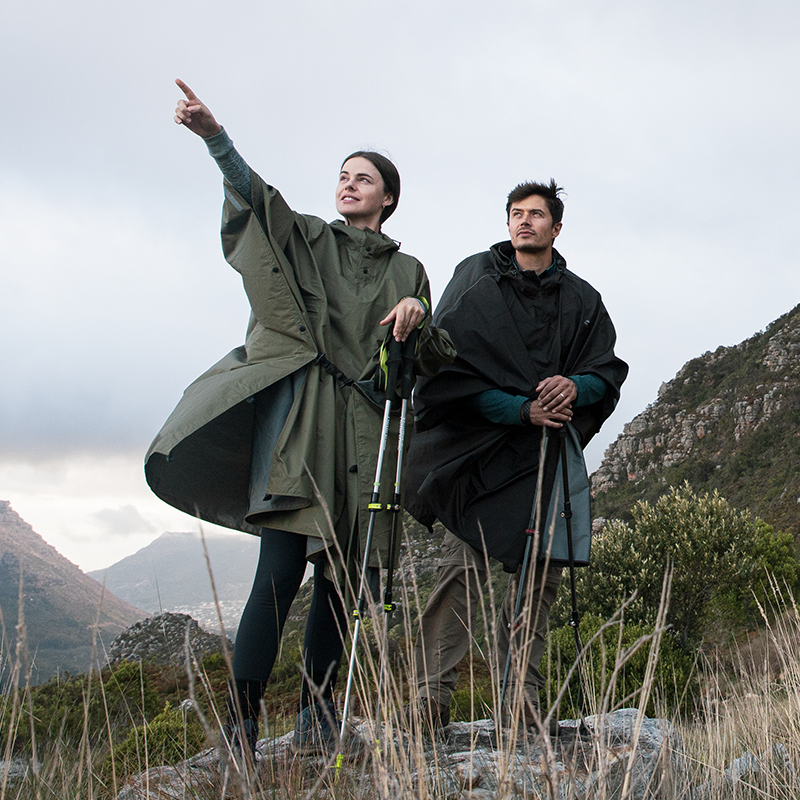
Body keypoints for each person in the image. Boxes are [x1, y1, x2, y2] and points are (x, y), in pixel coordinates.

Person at [145, 80, 454, 758]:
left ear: (388, 197)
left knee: (341, 585)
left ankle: (318, 716)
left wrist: (417, 315)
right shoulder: (311, 238)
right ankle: (242, 723)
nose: (347, 184)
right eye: (343, 175)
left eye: (362, 178)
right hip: (304, 421)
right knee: (278, 573)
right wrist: (216, 140)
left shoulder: (410, 270)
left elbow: (427, 359)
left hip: (368, 433)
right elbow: (260, 204)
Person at [404, 179, 628, 735]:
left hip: (546, 457)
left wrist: (575, 387)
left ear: (557, 226)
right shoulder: (475, 281)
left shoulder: (582, 300)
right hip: (479, 453)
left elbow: (606, 372)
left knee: (539, 577)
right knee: (462, 570)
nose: (524, 221)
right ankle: (428, 699)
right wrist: (519, 409)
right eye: (515, 213)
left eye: (536, 214)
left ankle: (520, 702)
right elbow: (446, 375)